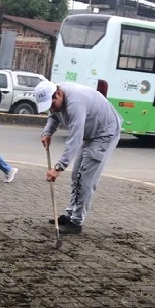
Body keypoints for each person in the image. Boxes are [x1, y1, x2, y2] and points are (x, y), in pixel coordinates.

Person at [35, 81, 123, 235]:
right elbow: (54, 115)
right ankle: (70, 215)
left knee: (85, 180)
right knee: (77, 176)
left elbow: (75, 138)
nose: (51, 107)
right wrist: (47, 132)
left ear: (59, 94)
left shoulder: (75, 103)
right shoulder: (57, 96)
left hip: (105, 134)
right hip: (92, 134)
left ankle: (76, 222)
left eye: (52, 104)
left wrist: (59, 167)